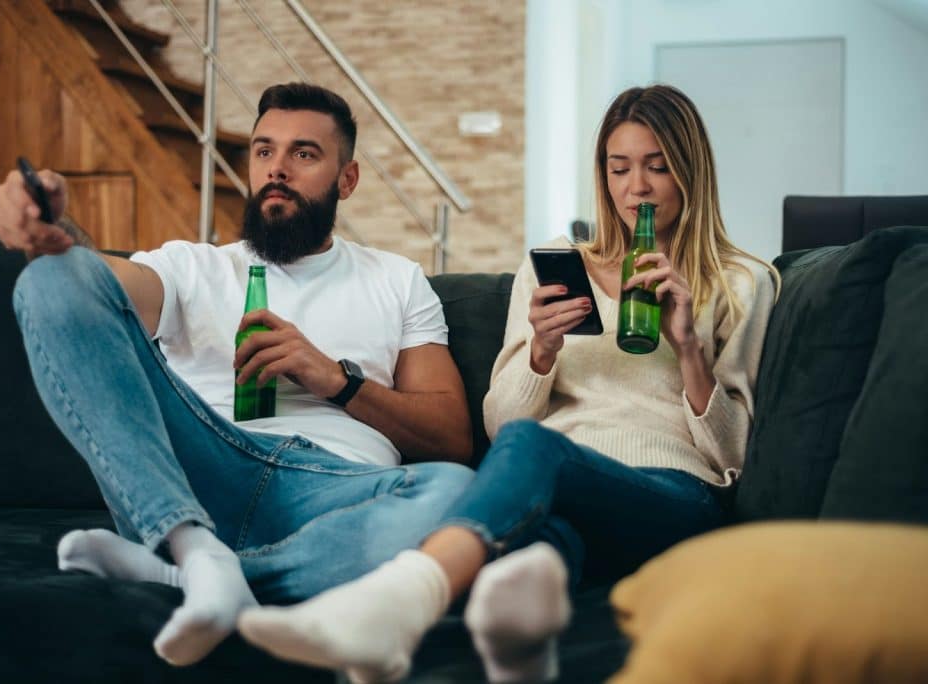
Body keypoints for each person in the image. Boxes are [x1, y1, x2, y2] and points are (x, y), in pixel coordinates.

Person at [236, 84, 780, 683]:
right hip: (561, 490)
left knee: (531, 451)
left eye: (657, 167)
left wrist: (690, 351)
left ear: (689, 171)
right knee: (531, 561)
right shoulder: (557, 263)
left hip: (674, 495)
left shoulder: (741, 282)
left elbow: (732, 461)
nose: (637, 189)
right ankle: (512, 657)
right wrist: (541, 351)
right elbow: (504, 424)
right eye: (619, 168)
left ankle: (399, 600)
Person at [0, 82, 478, 668]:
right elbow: (85, 289)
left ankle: (189, 572)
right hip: (203, 471)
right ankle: (194, 545)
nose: (277, 169)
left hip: (331, 491)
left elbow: (451, 438)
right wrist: (51, 238)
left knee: (457, 494)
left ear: (346, 180)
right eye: (264, 150)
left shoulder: (398, 280)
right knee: (48, 279)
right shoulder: (193, 266)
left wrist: (335, 380)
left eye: (303, 154)